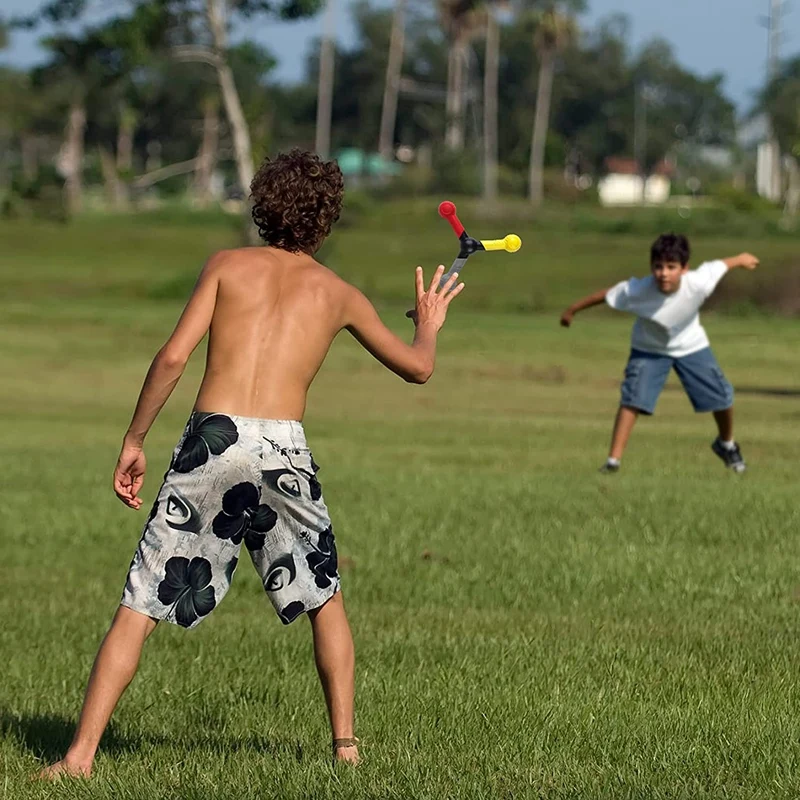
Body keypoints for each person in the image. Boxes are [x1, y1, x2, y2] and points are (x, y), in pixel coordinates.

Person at [40, 149, 464, 779]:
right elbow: (419, 368)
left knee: (140, 601)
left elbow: (173, 358)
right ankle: (345, 748)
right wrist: (428, 322)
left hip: (213, 436)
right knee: (325, 598)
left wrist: (135, 438)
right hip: (283, 448)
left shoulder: (226, 266)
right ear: (328, 220)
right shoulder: (339, 294)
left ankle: (78, 758)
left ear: (262, 207)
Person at [559, 233, 758, 473]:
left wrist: (741, 259)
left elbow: (720, 265)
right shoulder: (638, 290)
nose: (663, 273)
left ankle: (726, 445)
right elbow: (605, 295)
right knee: (632, 399)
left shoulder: (698, 282)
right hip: (648, 349)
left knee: (723, 397)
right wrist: (572, 310)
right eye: (658, 267)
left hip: (691, 345)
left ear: (684, 268)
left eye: (671, 267)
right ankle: (613, 462)